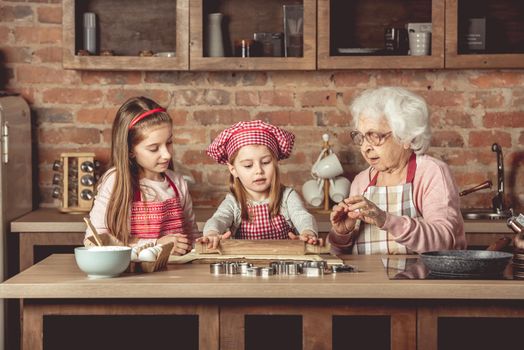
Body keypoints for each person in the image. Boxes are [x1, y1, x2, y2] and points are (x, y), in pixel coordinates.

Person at [328, 87, 467, 255]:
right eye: (361, 137)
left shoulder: (431, 173)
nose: (365, 148)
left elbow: (445, 242)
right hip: (369, 281)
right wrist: (342, 234)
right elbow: (341, 256)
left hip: (420, 280)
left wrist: (386, 220)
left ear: (406, 137)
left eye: (375, 136)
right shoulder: (361, 181)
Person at [84, 96, 199, 255]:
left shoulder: (178, 182)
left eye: (169, 143)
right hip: (132, 278)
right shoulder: (115, 181)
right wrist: (156, 245)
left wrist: (205, 243)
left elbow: (191, 236)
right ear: (130, 149)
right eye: (154, 148)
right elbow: (94, 240)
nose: (166, 155)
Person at [200, 120, 320, 248]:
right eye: (248, 165)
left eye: (266, 162)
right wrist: (212, 232)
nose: (259, 171)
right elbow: (218, 219)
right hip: (245, 265)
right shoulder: (233, 202)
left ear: (275, 163)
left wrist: (308, 232)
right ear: (233, 170)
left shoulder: (287, 196)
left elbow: (302, 216)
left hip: (283, 263)